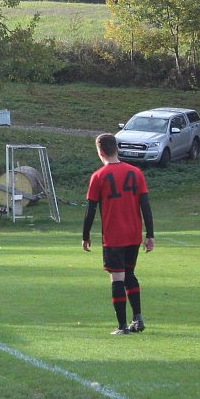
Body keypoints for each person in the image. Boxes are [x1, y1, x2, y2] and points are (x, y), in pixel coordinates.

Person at [82, 133, 154, 335]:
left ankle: (122, 326)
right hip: (133, 234)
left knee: (117, 278)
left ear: (100, 151)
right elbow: (145, 206)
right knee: (129, 274)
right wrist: (150, 234)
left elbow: (91, 209)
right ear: (117, 149)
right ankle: (137, 319)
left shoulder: (98, 176)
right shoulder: (136, 172)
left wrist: (85, 235)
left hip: (114, 237)